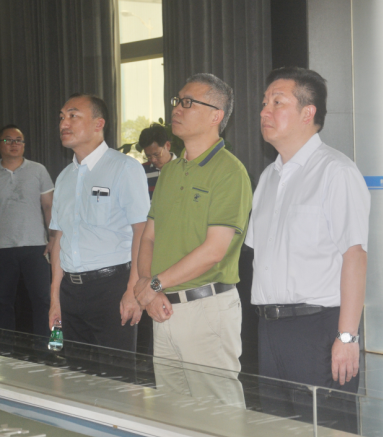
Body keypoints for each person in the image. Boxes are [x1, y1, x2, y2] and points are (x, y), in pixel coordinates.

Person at [244, 66, 370, 432]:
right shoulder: (268, 178)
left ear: (307, 112)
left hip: (319, 329)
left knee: (325, 428)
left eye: (277, 102)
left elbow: (355, 255)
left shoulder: (336, 171)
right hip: (270, 329)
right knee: (277, 428)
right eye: (264, 103)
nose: (265, 111)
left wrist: (347, 337)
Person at [133, 73, 252, 406]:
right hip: (163, 305)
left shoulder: (230, 171)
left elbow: (214, 250)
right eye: (177, 101)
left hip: (206, 309)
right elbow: (148, 238)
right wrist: (149, 287)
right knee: (171, 411)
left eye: (188, 102)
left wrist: (154, 284)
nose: (177, 109)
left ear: (216, 116)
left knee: (219, 416)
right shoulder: (170, 171)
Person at [48, 93, 149, 352]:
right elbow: (59, 238)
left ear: (98, 124)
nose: (63, 123)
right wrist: (55, 298)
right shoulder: (64, 177)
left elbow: (142, 231)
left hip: (112, 288)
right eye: (61, 117)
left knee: (117, 372)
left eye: (73, 116)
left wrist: (133, 291)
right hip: (70, 291)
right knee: (76, 371)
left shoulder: (125, 168)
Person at [0, 125, 54, 337]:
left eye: (19, 140)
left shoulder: (38, 170)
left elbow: (49, 207)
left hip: (37, 246)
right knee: (2, 301)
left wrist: (53, 239)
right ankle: (4, 348)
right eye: (8, 140)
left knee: (43, 300)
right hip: (1, 247)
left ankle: (46, 348)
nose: (14, 144)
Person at [138, 123, 176, 200]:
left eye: (156, 154)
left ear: (167, 145)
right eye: (148, 156)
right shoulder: (141, 171)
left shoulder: (184, 168)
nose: (153, 160)